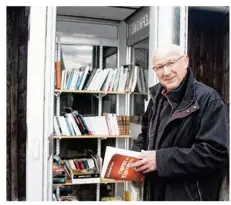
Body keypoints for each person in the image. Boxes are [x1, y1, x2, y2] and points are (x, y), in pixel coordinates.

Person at [129, 44, 229, 201]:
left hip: (189, 196)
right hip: (155, 191)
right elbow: (146, 134)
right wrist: (133, 156)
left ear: (186, 61)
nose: (166, 72)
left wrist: (160, 160)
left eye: (170, 63)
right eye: (159, 67)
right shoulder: (157, 97)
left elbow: (215, 153)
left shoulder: (209, 99)